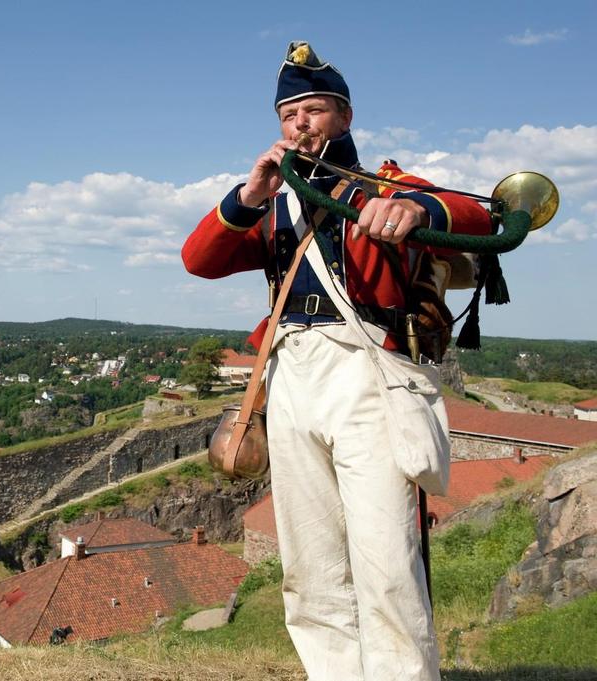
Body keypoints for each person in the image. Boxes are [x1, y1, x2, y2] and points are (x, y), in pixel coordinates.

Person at [181, 42, 492, 681]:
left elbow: (475, 217)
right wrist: (248, 195)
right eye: (289, 113)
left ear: (344, 118)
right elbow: (200, 259)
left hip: (365, 373)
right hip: (292, 375)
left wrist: (414, 210)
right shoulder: (272, 204)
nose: (300, 123)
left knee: (385, 558)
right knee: (310, 560)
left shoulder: (385, 184)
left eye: (314, 109)